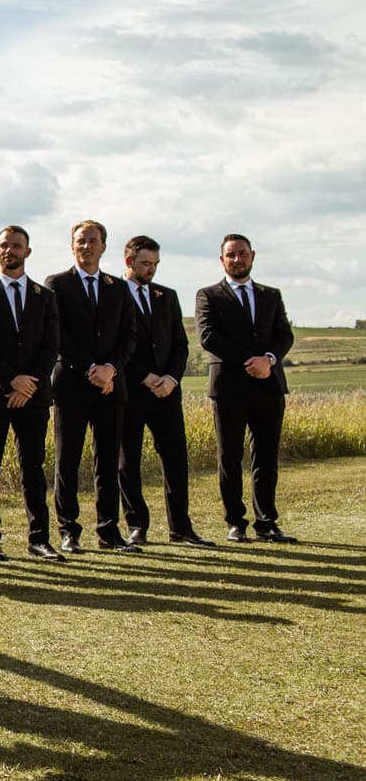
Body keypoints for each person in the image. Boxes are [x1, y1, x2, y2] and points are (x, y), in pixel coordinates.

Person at [0, 226, 64, 561]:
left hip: (34, 396)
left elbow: (52, 345)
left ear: (28, 252)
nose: (10, 251)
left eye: (16, 246)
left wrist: (30, 382)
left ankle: (39, 538)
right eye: (4, 246)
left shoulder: (44, 296)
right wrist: (12, 381)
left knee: (33, 468)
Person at [194, 234, 298, 543]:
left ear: (252, 255)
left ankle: (267, 522)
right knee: (230, 456)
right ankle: (235, 522)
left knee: (266, 457)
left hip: (269, 385)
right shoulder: (208, 295)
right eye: (231, 255)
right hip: (229, 387)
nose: (237, 259)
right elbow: (208, 337)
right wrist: (249, 361)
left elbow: (284, 335)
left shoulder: (271, 294)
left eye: (242, 253)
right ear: (221, 259)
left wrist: (268, 360)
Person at [45, 221, 140, 554]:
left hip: (111, 387)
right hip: (72, 384)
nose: (87, 246)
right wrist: (89, 368)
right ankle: (69, 530)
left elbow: (130, 335)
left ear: (104, 246)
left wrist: (110, 369)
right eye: (80, 241)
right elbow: (57, 335)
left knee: (108, 461)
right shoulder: (56, 284)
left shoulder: (117, 287)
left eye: (93, 241)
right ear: (72, 247)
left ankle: (108, 531)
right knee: (67, 460)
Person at [119, 236, 213, 546]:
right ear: (129, 261)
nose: (151, 270)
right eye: (146, 263)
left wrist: (171, 378)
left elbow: (180, 344)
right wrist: (145, 377)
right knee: (127, 460)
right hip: (131, 391)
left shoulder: (167, 296)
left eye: (156, 264)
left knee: (175, 458)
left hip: (167, 392)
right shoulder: (114, 294)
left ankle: (181, 527)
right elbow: (116, 345)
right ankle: (137, 525)